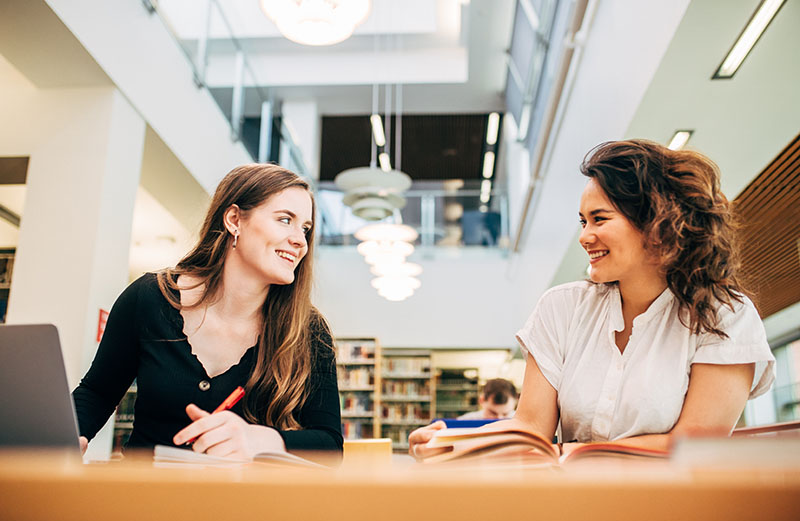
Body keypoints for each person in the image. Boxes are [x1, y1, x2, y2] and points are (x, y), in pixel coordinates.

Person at [410, 139, 775, 457]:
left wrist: (570, 451)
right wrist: (452, 440)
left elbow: (693, 444)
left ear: (657, 222)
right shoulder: (561, 308)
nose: (585, 236)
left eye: (599, 219)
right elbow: (530, 427)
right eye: (583, 221)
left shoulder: (725, 316)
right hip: (573, 506)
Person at [72, 163, 342, 462]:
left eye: (305, 228)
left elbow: (329, 445)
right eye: (284, 220)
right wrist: (69, 435)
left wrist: (261, 440)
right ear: (234, 219)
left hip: (244, 505)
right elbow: (97, 393)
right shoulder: (149, 298)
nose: (300, 241)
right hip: (142, 499)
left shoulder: (308, 330)